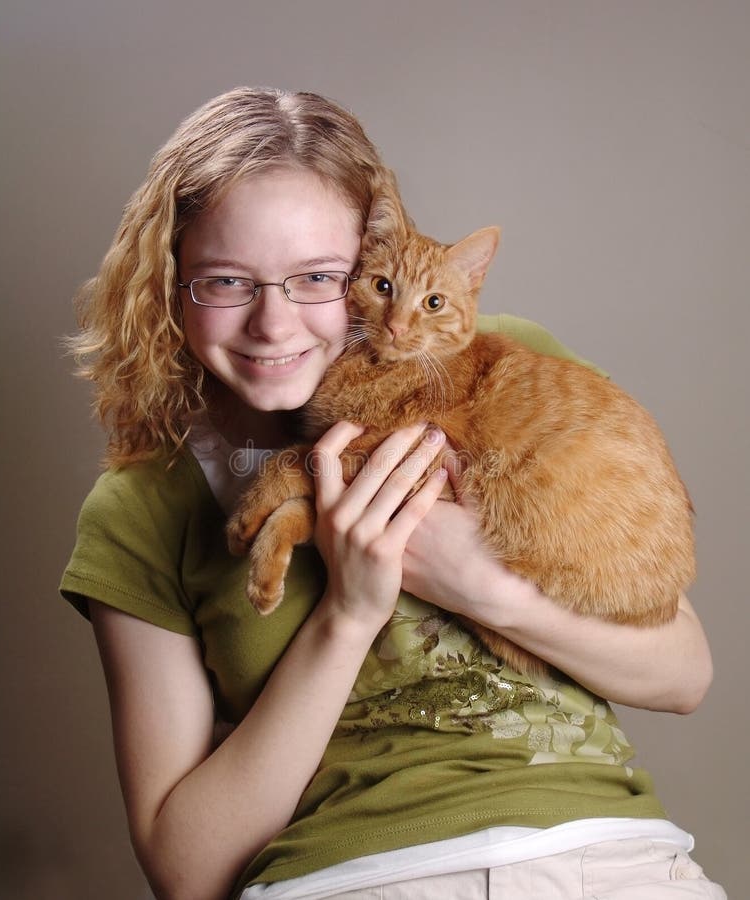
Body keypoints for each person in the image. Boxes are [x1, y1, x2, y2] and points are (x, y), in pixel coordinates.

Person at [60, 87, 725, 900]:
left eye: (316, 278)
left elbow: (683, 674)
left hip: (608, 857)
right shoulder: (142, 508)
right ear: (167, 286)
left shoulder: (501, 362)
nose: (274, 326)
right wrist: (349, 612)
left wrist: (479, 586)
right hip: (359, 877)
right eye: (227, 281)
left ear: (369, 252)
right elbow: (185, 870)